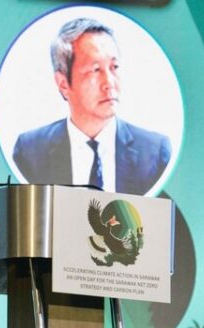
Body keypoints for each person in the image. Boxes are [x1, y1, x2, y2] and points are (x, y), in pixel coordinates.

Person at [13, 17, 171, 195]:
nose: (109, 83)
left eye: (114, 67)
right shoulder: (30, 151)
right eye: (95, 70)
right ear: (63, 83)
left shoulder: (155, 152)